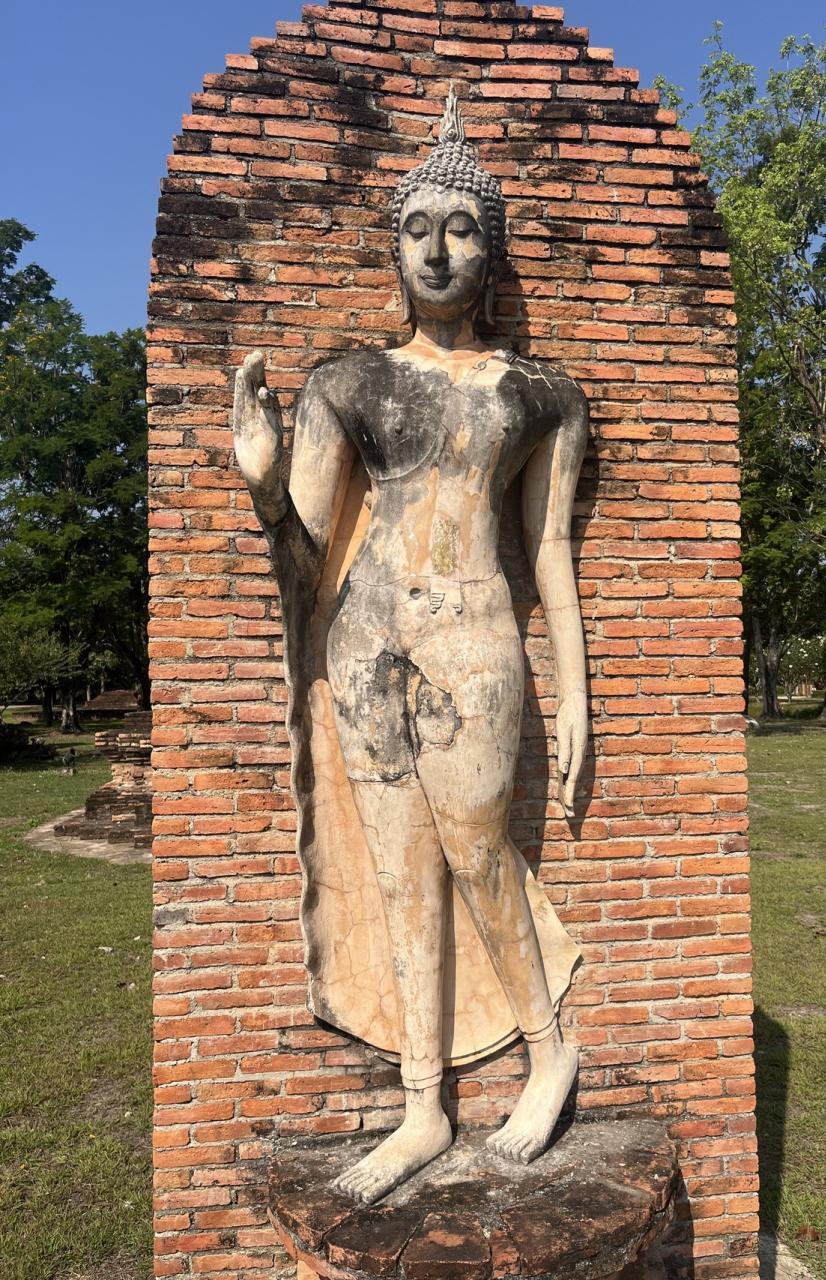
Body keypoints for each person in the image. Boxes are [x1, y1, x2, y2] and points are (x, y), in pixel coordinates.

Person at [233, 89, 589, 1204]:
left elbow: (547, 551)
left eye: (462, 228)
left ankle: (548, 1051)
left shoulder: (540, 394)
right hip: (365, 642)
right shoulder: (345, 383)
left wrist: (576, 691)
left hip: (474, 642)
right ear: (393, 247)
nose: (437, 250)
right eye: (417, 228)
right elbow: (303, 563)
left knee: (478, 850)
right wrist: (263, 488)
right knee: (399, 873)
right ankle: (423, 1104)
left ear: (491, 250)